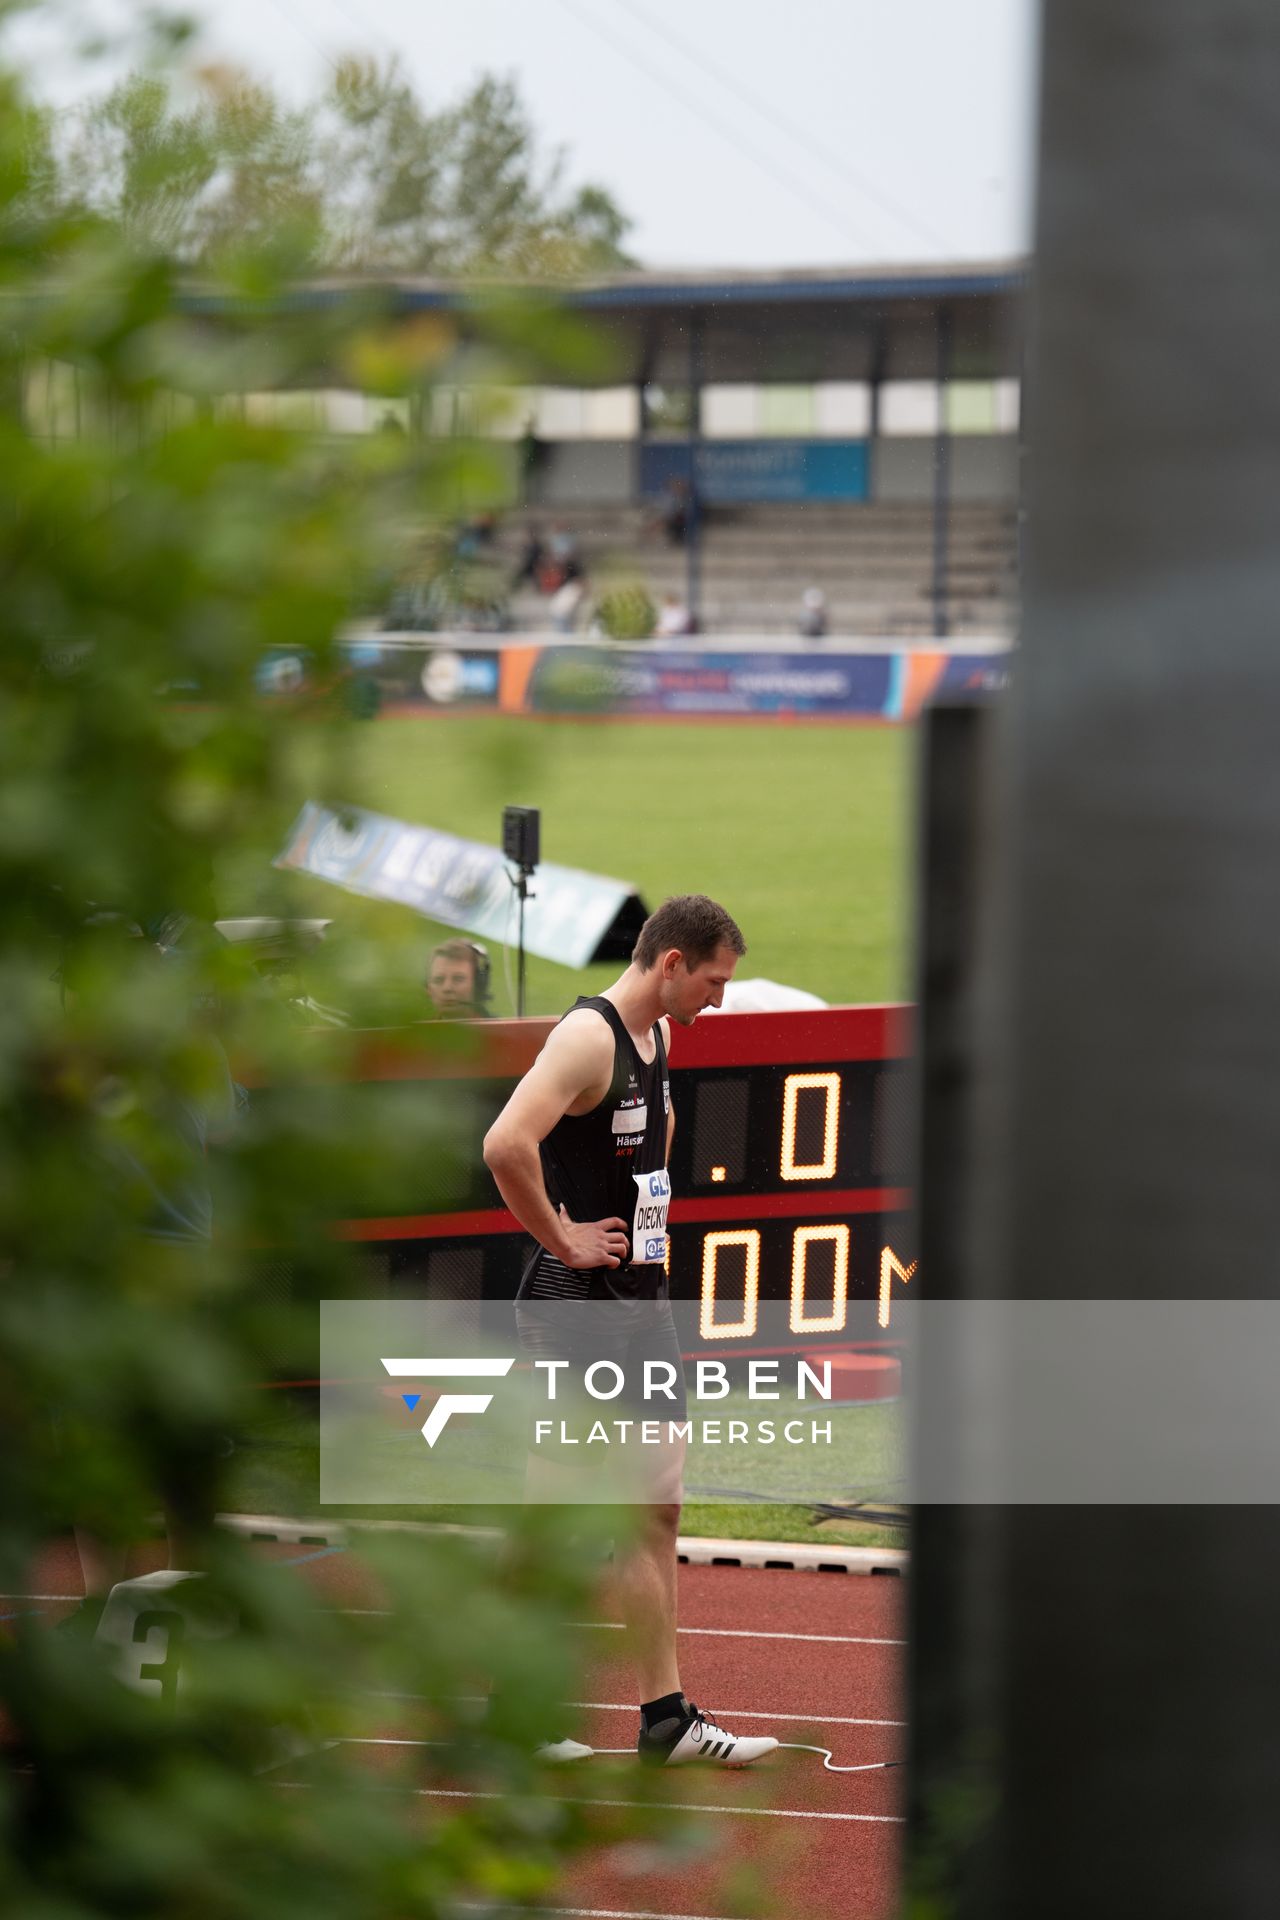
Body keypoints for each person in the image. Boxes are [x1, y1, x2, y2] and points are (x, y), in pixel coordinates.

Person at [482, 895, 778, 1768]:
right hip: (575, 1310)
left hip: (639, 1306)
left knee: (657, 1506)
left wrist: (649, 1249)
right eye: (715, 982)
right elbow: (506, 1144)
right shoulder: (588, 1038)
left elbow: (649, 1150)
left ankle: (667, 1721)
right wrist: (563, 1237)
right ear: (673, 963)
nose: (721, 1000)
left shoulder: (661, 1039)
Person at [425, 938, 491, 1016]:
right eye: (438, 980)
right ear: (428, 989)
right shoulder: (416, 1028)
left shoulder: (504, 1028)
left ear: (478, 985)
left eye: (458, 979)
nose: (447, 988)